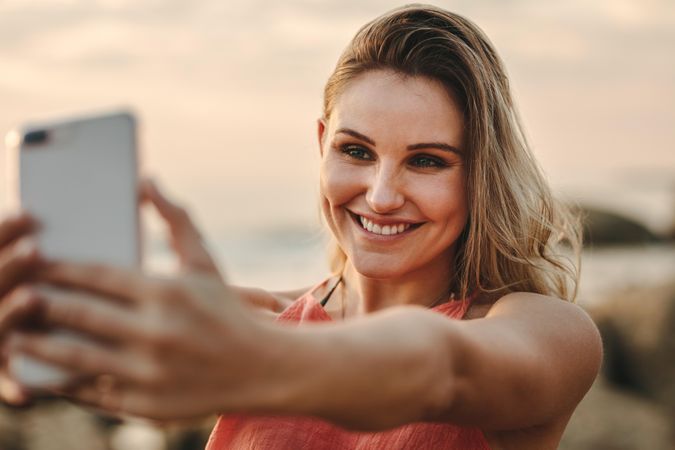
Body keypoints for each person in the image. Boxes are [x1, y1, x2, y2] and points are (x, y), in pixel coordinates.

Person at [0, 4, 602, 449]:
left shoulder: (549, 333)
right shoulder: (261, 322)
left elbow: (443, 369)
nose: (381, 195)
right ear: (322, 144)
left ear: (482, 176)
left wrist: (254, 358)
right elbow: (99, 361)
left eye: (427, 160)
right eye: (357, 151)